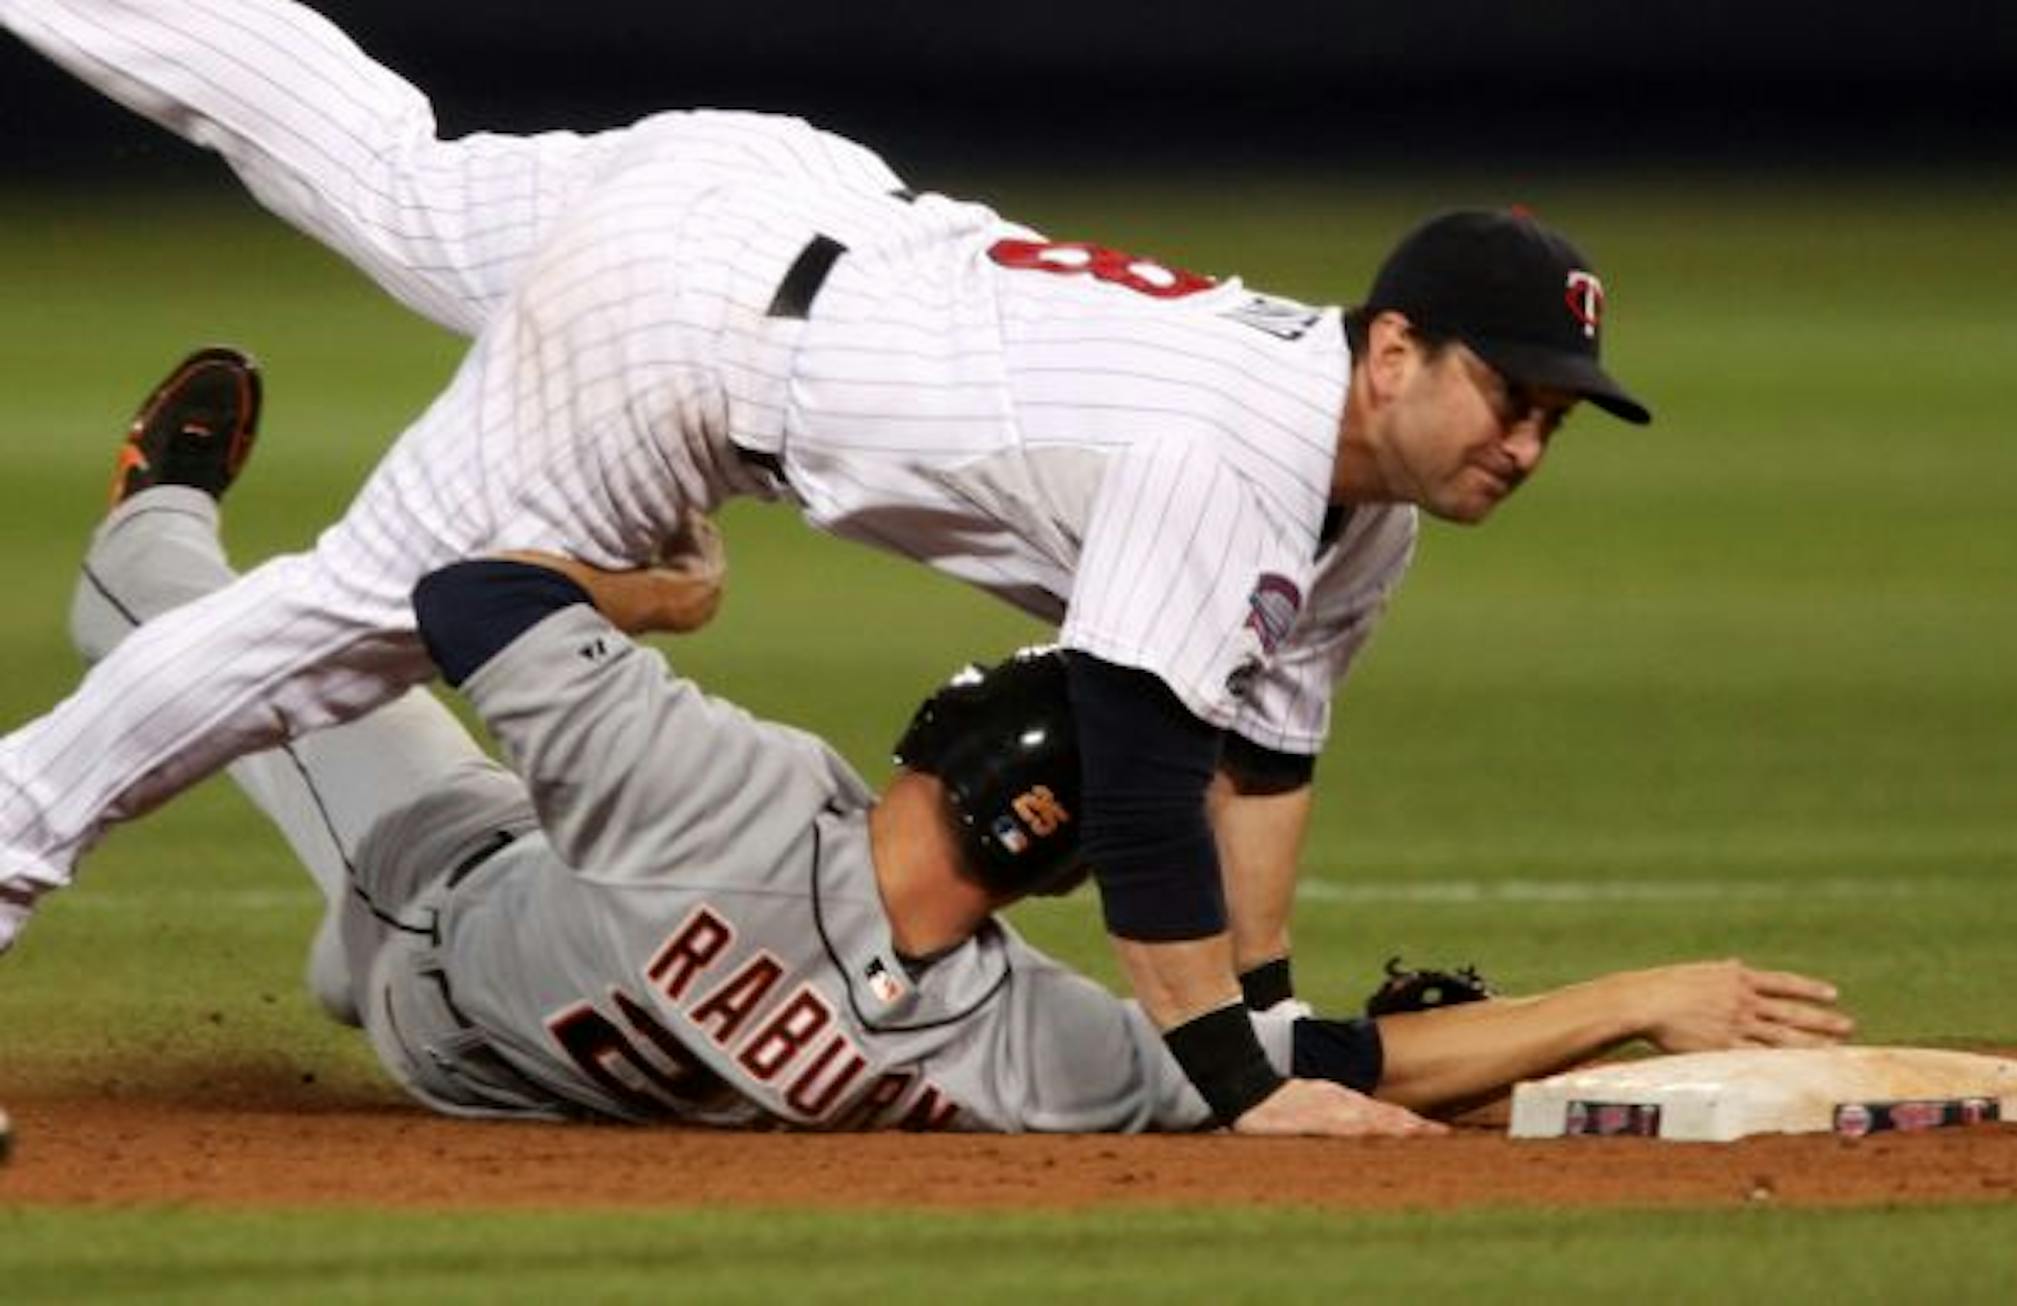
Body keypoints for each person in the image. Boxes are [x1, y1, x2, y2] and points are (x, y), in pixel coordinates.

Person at [0, 0, 1653, 1135]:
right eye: (1510, 394)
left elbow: (1254, 773)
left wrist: (1275, 1028)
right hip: (687, 348)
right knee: (342, 631)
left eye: (1555, 418)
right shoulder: (1234, 443)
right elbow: (1146, 799)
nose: (1525, 437)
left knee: (380, 160)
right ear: (1394, 353)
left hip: (763, 196)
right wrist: (1235, 1083)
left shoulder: (1359, 521)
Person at [65, 351, 1844, 1133]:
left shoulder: (737, 800)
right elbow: (1308, 1063)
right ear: (1061, 866)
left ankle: (143, 533)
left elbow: (455, 591)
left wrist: (671, 596)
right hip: (503, 1069)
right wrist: (1621, 999)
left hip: (442, 919)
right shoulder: (1025, 1042)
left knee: (257, 657)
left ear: (939, 746)